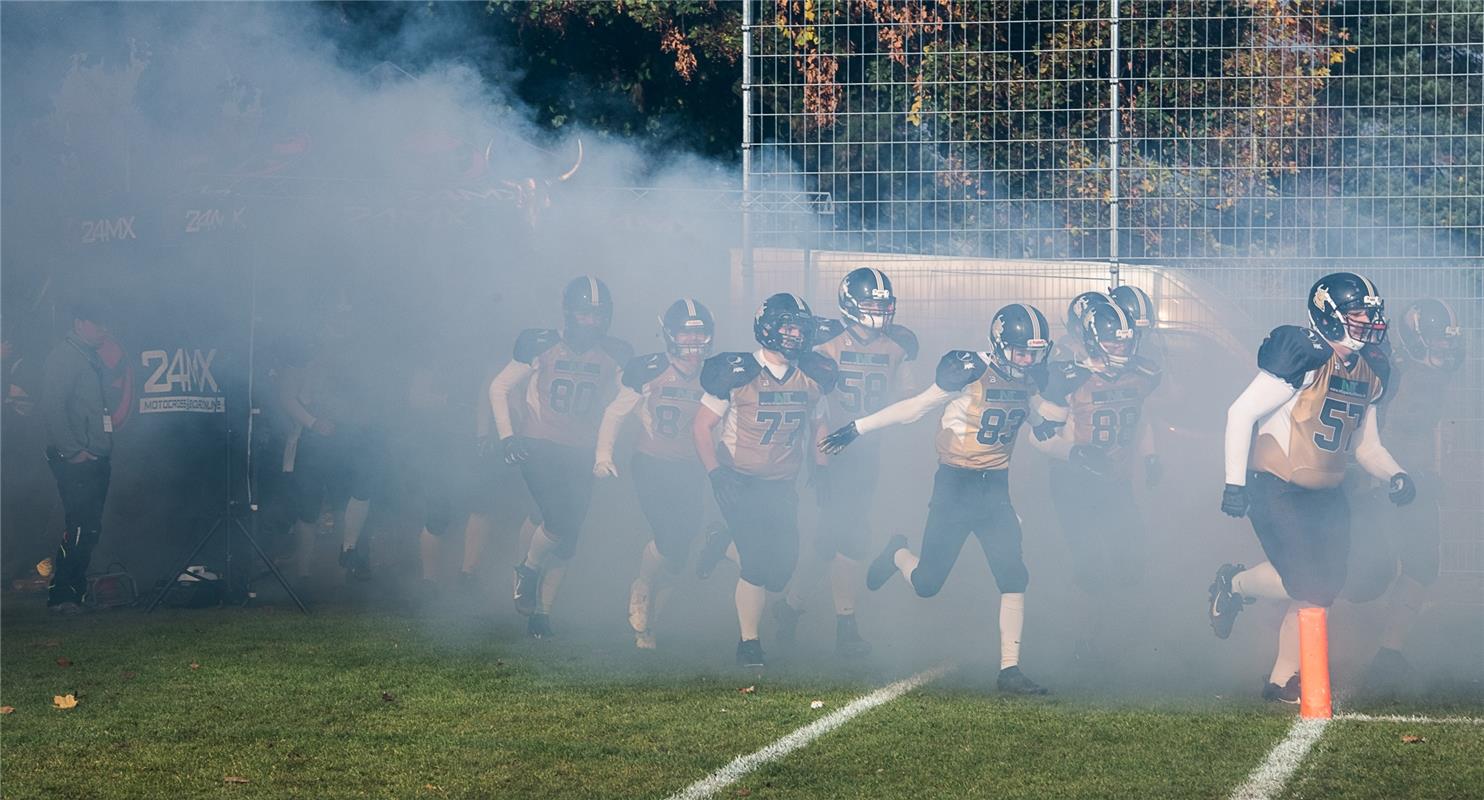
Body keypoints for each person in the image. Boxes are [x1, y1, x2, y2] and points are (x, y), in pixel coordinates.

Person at [821, 303, 1054, 694]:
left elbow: (1038, 417)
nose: (1028, 360)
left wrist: (1065, 436)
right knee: (928, 583)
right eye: (1020, 352)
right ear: (999, 345)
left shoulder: (1027, 379)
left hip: (995, 486)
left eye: (1034, 353)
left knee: (1013, 574)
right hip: (955, 485)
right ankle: (897, 553)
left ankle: (1009, 669)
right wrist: (858, 428)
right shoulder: (969, 372)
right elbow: (914, 409)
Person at [1208, 272, 1414, 702]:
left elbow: (1367, 446)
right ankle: (1238, 588)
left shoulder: (1370, 369)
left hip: (1329, 492)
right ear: (1331, 314)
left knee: (1323, 588)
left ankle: (1280, 681)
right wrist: (1234, 482)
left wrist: (1396, 473)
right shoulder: (1304, 355)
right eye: (1358, 312)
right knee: (1309, 584)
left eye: (1371, 313)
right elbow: (1239, 413)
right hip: (1278, 486)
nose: (1368, 321)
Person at [772, 268, 918, 657]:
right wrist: (818, 458)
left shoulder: (898, 345)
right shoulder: (823, 342)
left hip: (869, 449)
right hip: (831, 446)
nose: (879, 311)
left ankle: (789, 608)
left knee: (827, 541)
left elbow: (908, 399)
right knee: (850, 535)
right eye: (871, 303)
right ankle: (846, 626)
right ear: (850, 304)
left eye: (884, 304)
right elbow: (808, 399)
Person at [694, 293, 837, 668]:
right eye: (787, 325)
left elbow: (819, 422)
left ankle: (722, 543)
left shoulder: (812, 376)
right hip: (739, 481)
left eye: (799, 328)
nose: (793, 335)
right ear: (768, 326)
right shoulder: (737, 371)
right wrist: (714, 473)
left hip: (781, 485)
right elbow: (701, 426)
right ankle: (749, 643)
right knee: (756, 564)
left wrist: (821, 466)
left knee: (779, 574)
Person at [490, 276, 632, 638]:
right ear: (569, 313)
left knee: (569, 536)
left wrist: (607, 448)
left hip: (581, 450)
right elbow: (499, 386)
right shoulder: (541, 344)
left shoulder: (615, 353)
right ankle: (528, 569)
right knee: (557, 518)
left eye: (599, 315)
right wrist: (508, 437)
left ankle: (542, 612)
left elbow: (628, 399)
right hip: (540, 444)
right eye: (585, 314)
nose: (592, 322)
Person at [1031, 295, 1162, 661]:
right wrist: (1073, 452)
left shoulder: (1143, 374)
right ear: (1092, 340)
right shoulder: (1069, 377)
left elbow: (1141, 415)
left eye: (1126, 340)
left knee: (1131, 561)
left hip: (1116, 482)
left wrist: (1151, 455)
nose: (1122, 347)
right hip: (1074, 483)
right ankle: (1082, 638)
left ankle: (1118, 632)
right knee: (1089, 564)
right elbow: (1037, 437)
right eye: (1113, 340)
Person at [1343, 298, 1463, 688]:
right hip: (1380, 485)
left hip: (1414, 483)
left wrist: (1431, 472)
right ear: (1415, 340)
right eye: (1437, 341)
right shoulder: (1391, 376)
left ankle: (1388, 654)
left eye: (1448, 342)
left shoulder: (1433, 377)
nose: (1446, 349)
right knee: (1364, 579)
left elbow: (1432, 427)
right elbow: (1368, 434)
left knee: (1423, 566)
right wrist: (1374, 479)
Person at [594, 299, 716, 649]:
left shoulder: (714, 375)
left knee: (681, 547)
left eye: (700, 335)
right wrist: (602, 455)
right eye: (686, 335)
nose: (694, 343)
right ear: (669, 335)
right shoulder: (649, 370)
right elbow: (615, 413)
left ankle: (648, 627)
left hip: (691, 465)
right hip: (652, 461)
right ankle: (643, 583)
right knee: (668, 535)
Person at [40, 299, 114, 614]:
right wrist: (73, 452)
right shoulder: (65, 357)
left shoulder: (88, 357)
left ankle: (73, 590)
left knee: (89, 526)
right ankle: (63, 594)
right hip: (76, 458)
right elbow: (52, 408)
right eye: (97, 323)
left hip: (95, 455)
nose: (104, 329)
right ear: (80, 323)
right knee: (82, 525)